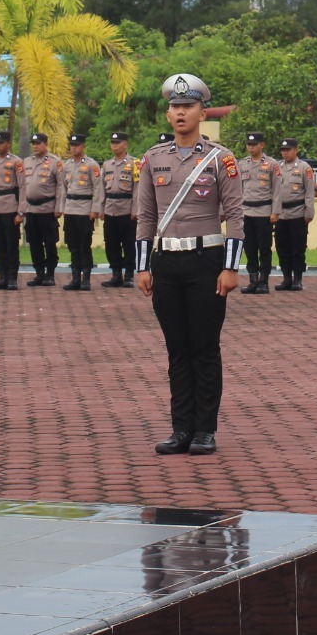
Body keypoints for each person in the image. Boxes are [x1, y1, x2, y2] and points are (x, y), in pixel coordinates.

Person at [135, 73, 245, 457]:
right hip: (166, 262)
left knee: (204, 347)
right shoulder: (152, 158)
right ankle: (181, 428)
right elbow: (145, 216)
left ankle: (205, 430)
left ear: (202, 112)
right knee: (176, 348)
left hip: (206, 261)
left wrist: (230, 268)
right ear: (168, 114)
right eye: (175, 107)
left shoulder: (220, 159)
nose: (181, 113)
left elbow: (235, 215)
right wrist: (141, 266)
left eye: (188, 106)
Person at [57, 133, 104, 291]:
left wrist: (95, 209)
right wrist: (61, 208)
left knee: (85, 245)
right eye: (72, 145)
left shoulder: (92, 165)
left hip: (85, 209)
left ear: (83, 146)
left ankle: (86, 279)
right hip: (70, 209)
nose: (74, 148)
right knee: (73, 245)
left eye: (77, 145)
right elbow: (63, 188)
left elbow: (98, 188)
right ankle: (75, 278)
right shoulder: (67, 165)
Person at [272, 138, 314, 291]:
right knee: (282, 247)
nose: (285, 152)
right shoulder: (277, 167)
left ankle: (297, 279)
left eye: (288, 150)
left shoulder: (304, 168)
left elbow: (309, 192)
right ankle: (286, 278)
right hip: (281, 214)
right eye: (283, 150)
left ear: (296, 150)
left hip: (298, 213)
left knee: (297, 248)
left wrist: (309, 213)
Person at [0, 130, 24, 291]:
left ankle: (12, 278)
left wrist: (21, 212)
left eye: (1, 143)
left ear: (9, 144)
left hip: (10, 206)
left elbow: (22, 187)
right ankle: (2, 277)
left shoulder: (16, 162)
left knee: (11, 244)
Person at [238, 132, 278, 294]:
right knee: (249, 247)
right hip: (246, 211)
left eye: (254, 144)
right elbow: (238, 189)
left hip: (264, 211)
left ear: (262, 145)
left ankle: (264, 281)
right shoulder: (242, 164)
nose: (251, 147)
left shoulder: (271, 164)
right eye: (249, 144)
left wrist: (275, 212)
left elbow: (277, 190)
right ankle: (253, 279)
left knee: (264, 247)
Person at [21, 133, 61, 286]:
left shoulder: (54, 162)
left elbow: (60, 187)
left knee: (49, 243)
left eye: (38, 143)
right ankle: (39, 273)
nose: (35, 146)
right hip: (31, 209)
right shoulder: (26, 162)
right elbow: (23, 186)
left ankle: (50, 274)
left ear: (45, 144)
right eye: (33, 143)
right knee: (34, 242)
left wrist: (58, 208)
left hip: (47, 209)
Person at [100, 132, 139, 288]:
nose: (114, 145)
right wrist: (101, 208)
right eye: (112, 142)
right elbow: (102, 189)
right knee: (111, 243)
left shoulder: (134, 163)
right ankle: (116, 274)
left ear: (126, 144)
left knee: (129, 243)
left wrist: (136, 210)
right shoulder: (107, 165)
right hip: (110, 208)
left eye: (117, 142)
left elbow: (138, 188)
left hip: (126, 207)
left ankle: (129, 275)